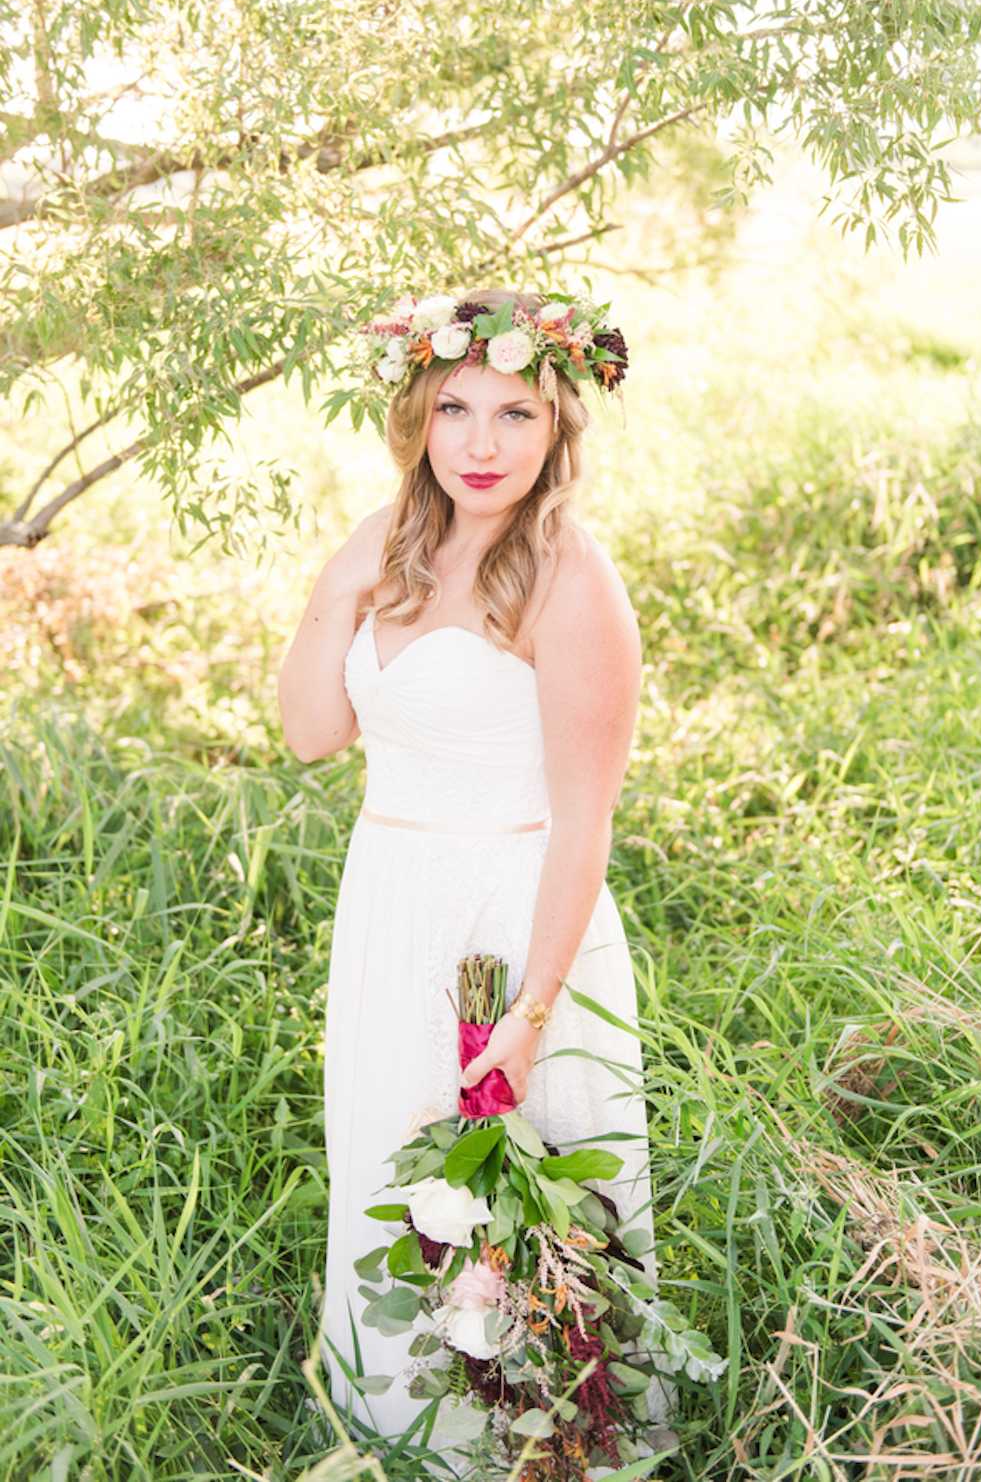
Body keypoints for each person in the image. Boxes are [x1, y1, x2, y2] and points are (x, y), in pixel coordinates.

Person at [277, 286, 661, 1447]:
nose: (480, 444)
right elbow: (311, 733)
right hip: (388, 904)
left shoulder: (570, 579)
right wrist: (341, 580)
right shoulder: (391, 547)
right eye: (455, 408)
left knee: (513, 1194)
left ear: (556, 429)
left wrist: (533, 1012)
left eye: (515, 414)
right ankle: (398, 1429)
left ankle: (537, 1444)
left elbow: (584, 820)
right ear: (418, 415)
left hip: (511, 918)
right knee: (394, 1164)